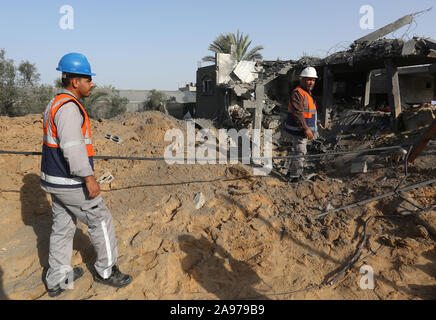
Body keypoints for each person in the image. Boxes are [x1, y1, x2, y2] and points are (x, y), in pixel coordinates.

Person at [40, 52, 132, 297]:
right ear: (74, 82)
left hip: (54, 180)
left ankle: (58, 278)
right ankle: (107, 271)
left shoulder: (54, 103)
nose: (92, 84)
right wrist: (89, 178)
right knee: (100, 219)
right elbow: (73, 148)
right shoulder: (69, 108)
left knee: (63, 226)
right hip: (71, 182)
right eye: (88, 79)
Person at [284, 66, 318, 183]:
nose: (311, 82)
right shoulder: (297, 93)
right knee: (300, 152)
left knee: (297, 152)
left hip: (303, 130)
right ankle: (295, 177)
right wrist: (306, 129)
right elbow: (297, 113)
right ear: (302, 79)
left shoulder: (307, 94)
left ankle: (291, 173)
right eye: (308, 79)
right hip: (300, 131)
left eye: (313, 80)